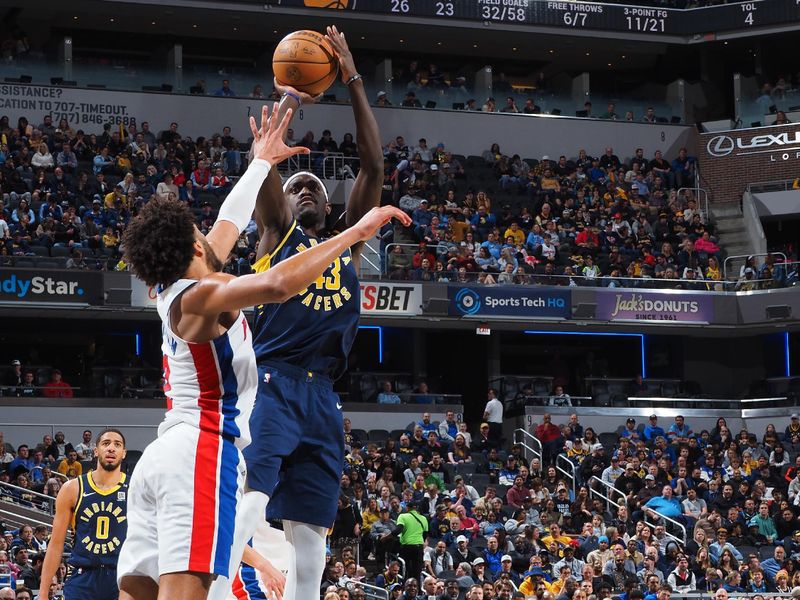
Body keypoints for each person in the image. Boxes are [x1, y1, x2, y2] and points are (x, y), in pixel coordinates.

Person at [119, 104, 407, 600]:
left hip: (160, 455)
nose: (210, 236)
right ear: (190, 251)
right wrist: (354, 234)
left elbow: (229, 220)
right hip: (199, 450)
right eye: (198, 235)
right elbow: (276, 284)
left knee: (138, 593)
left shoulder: (185, 282)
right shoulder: (200, 295)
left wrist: (259, 163)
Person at [234, 27, 399, 600]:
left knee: (313, 536)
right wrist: (292, 97)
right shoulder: (276, 235)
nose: (305, 190)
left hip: (323, 395)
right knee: (250, 499)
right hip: (273, 382)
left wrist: (352, 78)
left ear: (331, 208)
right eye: (296, 184)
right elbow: (268, 165)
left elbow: (373, 167)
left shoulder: (344, 244)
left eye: (314, 188)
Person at [40, 429, 128, 600]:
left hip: (122, 577)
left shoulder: (135, 487)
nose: (111, 448)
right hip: (83, 576)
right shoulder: (72, 488)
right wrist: (43, 592)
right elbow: (56, 545)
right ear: (96, 451)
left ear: (123, 453)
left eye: (117, 445)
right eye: (105, 443)